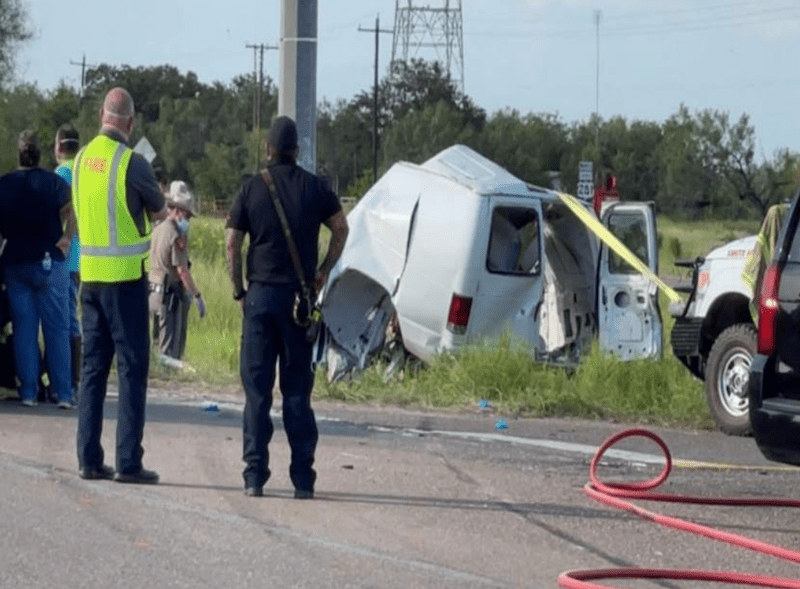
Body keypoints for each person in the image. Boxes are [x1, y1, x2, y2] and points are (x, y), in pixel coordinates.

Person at [226, 115, 349, 499]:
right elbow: (342, 228)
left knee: (257, 394)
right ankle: (303, 481)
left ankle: (254, 476)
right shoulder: (315, 187)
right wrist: (323, 273)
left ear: (267, 150)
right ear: (297, 151)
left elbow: (231, 243)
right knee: (297, 392)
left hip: (260, 299)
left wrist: (239, 292)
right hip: (298, 300)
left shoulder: (251, 188)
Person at [73, 87, 167, 483]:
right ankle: (128, 461)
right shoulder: (132, 162)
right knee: (131, 369)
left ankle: (89, 460)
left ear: (101, 115)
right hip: (125, 281)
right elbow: (161, 211)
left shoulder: (79, 160)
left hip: (88, 279)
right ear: (130, 123)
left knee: (93, 371)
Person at [0, 130, 75, 408]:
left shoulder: (4, 185)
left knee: (24, 330)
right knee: (57, 328)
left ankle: (29, 392)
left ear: (19, 153)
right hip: (49, 261)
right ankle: (63, 393)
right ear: (40, 154)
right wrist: (66, 239)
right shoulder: (54, 183)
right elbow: (71, 215)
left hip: (15, 263)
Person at [148, 180, 206, 361]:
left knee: (157, 342)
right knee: (169, 349)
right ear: (178, 211)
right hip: (169, 295)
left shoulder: (157, 229)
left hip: (153, 293)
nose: (187, 221)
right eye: (187, 216)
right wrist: (195, 295)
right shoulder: (175, 234)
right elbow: (182, 270)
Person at [54, 123, 82, 400]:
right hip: (81, 256)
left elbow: (59, 211)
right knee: (72, 315)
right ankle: (73, 378)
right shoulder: (82, 170)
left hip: (64, 254)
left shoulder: (62, 173)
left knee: (64, 319)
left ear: (59, 146)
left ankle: (70, 380)